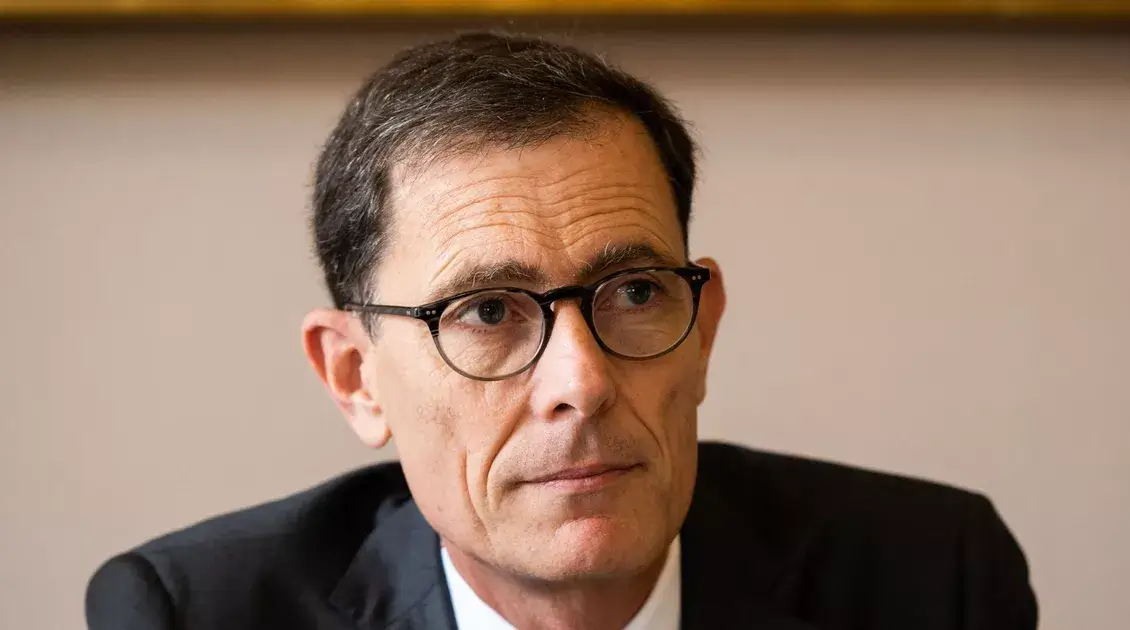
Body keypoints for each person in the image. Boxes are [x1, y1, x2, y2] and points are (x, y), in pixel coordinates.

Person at [85, 33, 1037, 630]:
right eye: (487, 311)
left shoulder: (932, 578)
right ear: (356, 378)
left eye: (634, 292)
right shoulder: (195, 614)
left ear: (703, 329)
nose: (581, 380)